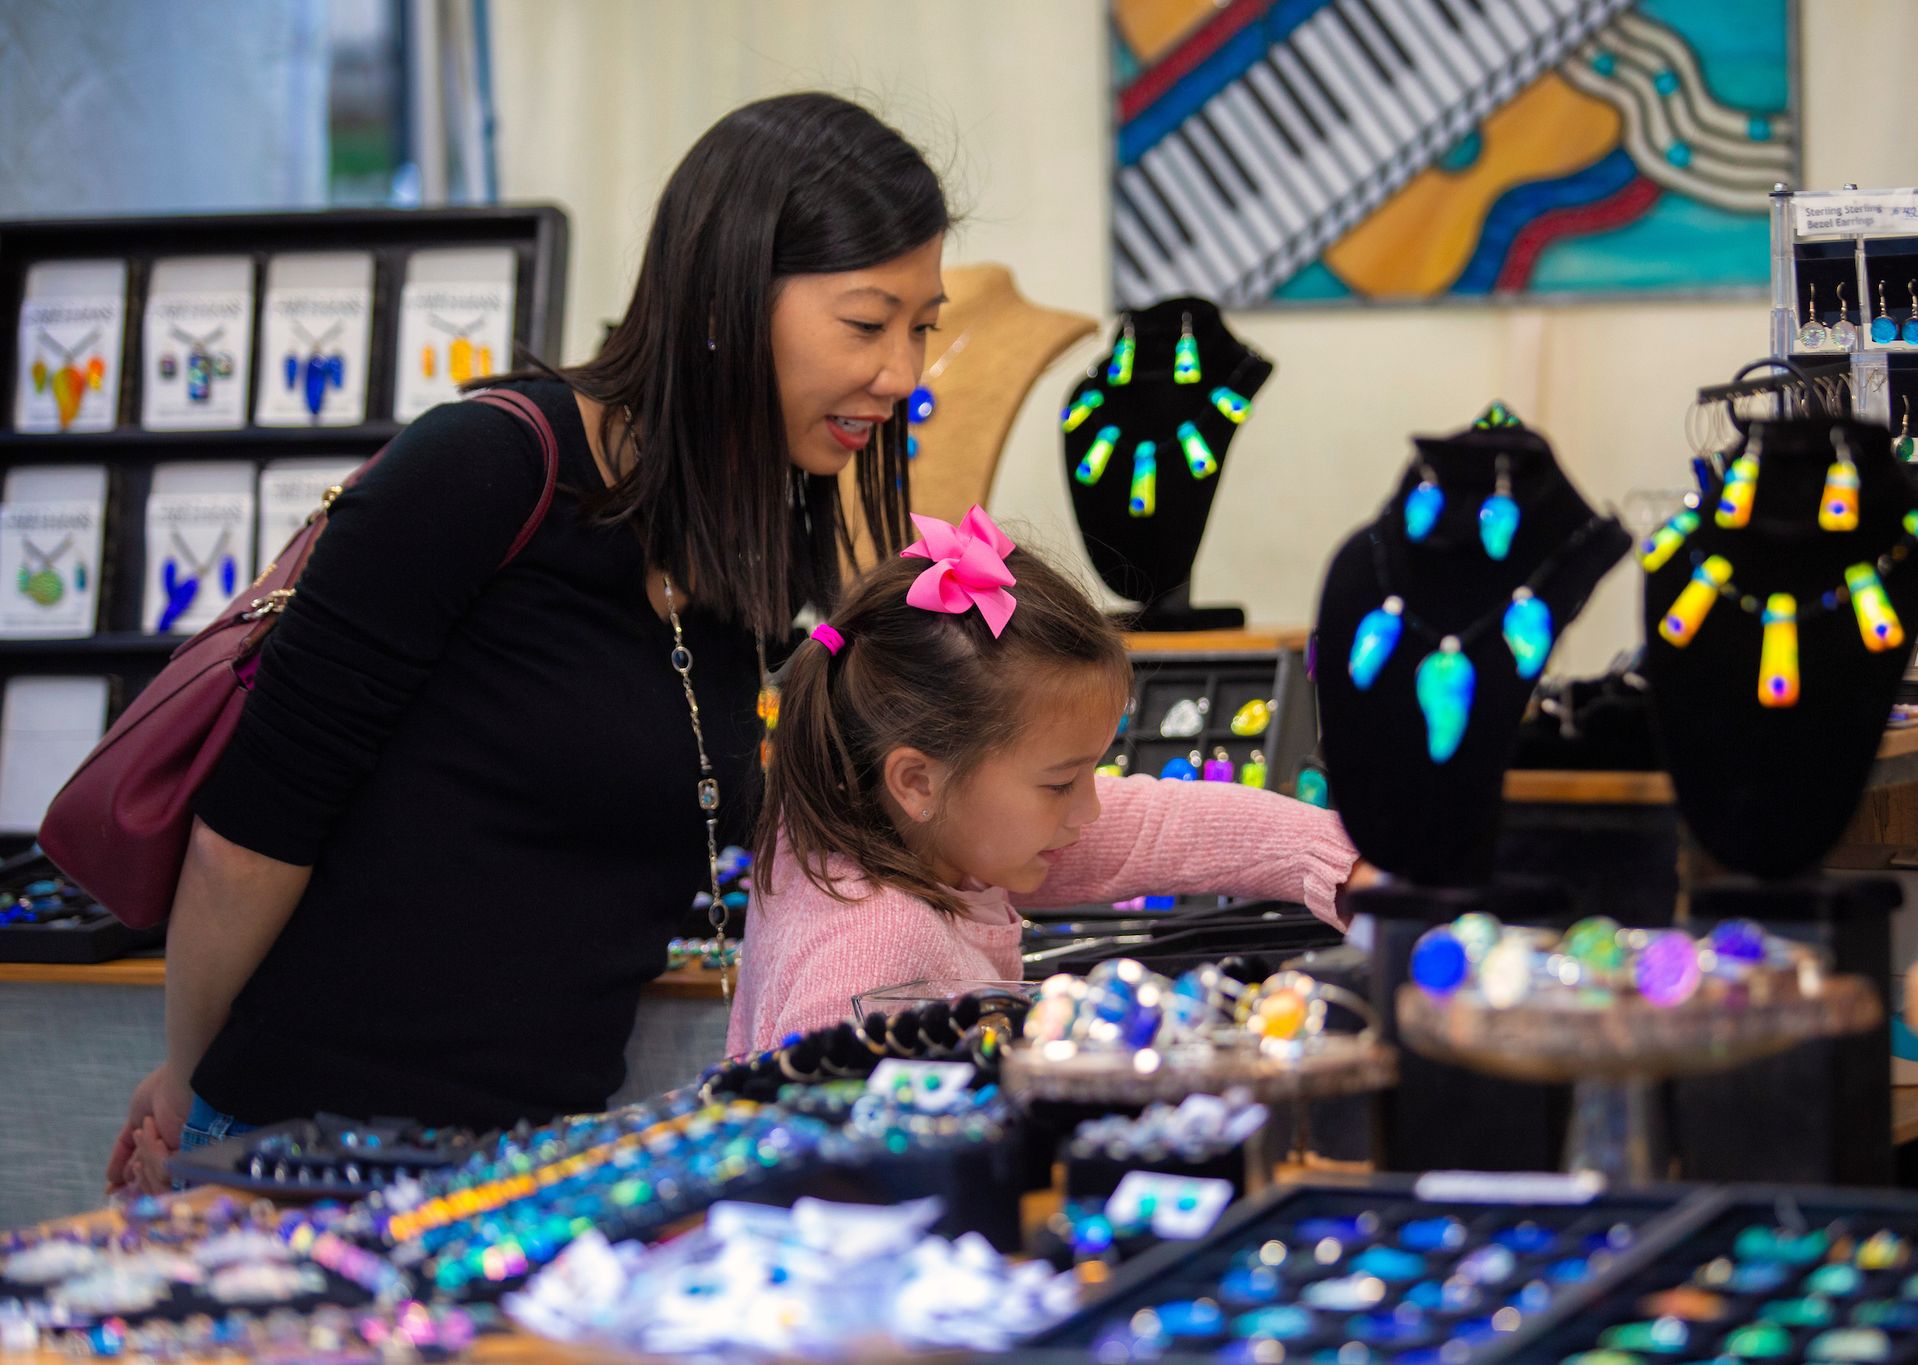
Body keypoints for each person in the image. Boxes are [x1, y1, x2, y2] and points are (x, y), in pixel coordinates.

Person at [107, 91, 951, 1190]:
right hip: (306, 1158)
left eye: (922, 325)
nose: (903, 372)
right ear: (728, 298)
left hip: (528, 1173)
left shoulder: (752, 531)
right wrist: (184, 1077)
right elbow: (249, 835)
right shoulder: (482, 471)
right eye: (866, 322)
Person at [730, 507, 1377, 1056]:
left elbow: (1155, 826)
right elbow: (808, 1152)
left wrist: (1340, 861)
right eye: (1062, 782)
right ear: (916, 781)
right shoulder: (874, 946)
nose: (1090, 808)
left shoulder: (895, 829)